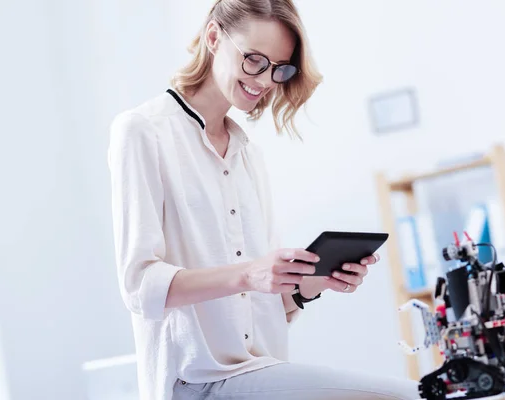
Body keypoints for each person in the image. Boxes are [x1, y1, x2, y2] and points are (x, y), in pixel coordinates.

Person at [108, 0, 419, 399]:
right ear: (214, 37)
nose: (266, 80)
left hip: (263, 369)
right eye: (254, 60)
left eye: (280, 68)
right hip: (196, 380)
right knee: (415, 395)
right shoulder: (142, 131)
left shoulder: (247, 154)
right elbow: (139, 286)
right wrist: (248, 273)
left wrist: (307, 285)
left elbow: (260, 304)